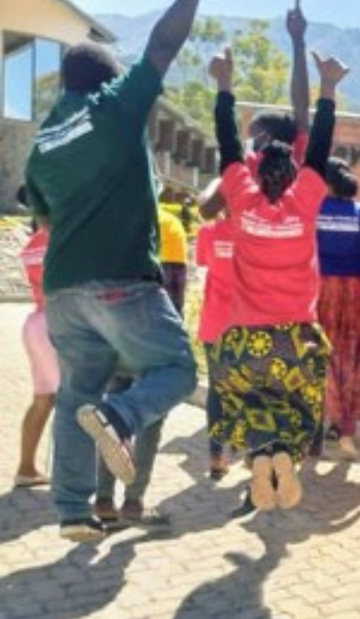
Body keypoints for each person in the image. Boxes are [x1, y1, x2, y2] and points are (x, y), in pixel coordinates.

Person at [23, 0, 201, 543]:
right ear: (107, 76)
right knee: (177, 369)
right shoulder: (115, 106)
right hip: (121, 279)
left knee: (78, 394)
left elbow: (45, 215)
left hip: (63, 292)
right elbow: (163, 44)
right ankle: (123, 417)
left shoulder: (44, 144)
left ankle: (74, 511)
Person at [208, 43, 347, 511]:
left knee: (250, 407)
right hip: (296, 339)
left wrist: (224, 88)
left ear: (254, 173)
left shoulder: (243, 204)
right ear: (294, 175)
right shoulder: (305, 201)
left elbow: (228, 144)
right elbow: (321, 146)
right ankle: (284, 454)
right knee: (298, 410)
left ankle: (264, 456)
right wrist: (328, 89)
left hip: (245, 339)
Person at [92, 209, 192, 530]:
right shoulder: (171, 227)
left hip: (115, 340)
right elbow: (174, 300)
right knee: (149, 420)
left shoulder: (109, 225)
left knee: (111, 418)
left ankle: (104, 500)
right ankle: (133, 503)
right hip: (154, 346)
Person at [198, 1, 311, 221]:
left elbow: (207, 210)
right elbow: (302, 107)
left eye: (249, 136)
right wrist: (298, 42)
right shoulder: (299, 160)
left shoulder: (250, 164)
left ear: (262, 138)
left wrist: (217, 182)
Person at [316, 158, 360, 460]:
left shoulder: (313, 211)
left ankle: (314, 434)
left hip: (319, 291)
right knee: (353, 358)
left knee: (318, 356)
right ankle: (346, 430)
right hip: (356, 294)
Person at [194, 188, 236, 479]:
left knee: (217, 390)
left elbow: (203, 263)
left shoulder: (207, 233)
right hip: (246, 323)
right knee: (247, 389)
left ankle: (216, 455)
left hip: (214, 322)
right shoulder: (254, 233)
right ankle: (248, 452)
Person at [16, 190, 54, 489]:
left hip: (36, 323)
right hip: (59, 322)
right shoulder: (62, 240)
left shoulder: (32, 244)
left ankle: (26, 468)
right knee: (76, 401)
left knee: (42, 399)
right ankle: (74, 480)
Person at [158, 207, 189, 316]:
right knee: (174, 311)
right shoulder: (170, 220)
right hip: (176, 263)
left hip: (165, 262)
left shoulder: (147, 217)